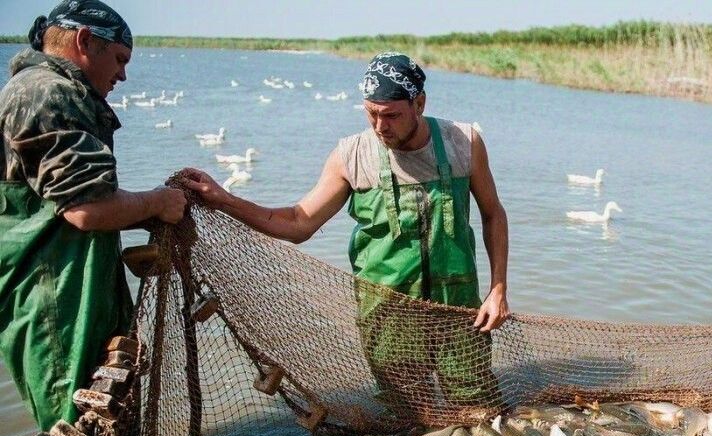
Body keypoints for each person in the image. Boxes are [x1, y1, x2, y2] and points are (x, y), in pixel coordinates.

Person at [182, 52, 509, 417]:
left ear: (419, 103)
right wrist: (224, 199)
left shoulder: (463, 141)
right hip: (387, 313)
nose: (380, 127)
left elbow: (493, 214)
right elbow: (297, 222)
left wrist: (497, 290)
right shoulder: (350, 155)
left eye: (391, 115)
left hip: (459, 307)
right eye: (371, 113)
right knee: (410, 416)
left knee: (480, 410)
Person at [0, 0, 186, 436]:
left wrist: (150, 208)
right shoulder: (48, 93)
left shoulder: (50, 89)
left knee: (112, 427)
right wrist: (160, 203)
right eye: (120, 59)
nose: (123, 75)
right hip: (54, 299)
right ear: (85, 42)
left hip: (73, 285)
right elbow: (85, 209)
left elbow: (75, 203)